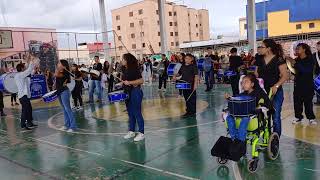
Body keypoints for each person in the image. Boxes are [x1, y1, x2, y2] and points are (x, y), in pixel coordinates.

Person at [224, 74, 272, 155]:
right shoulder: (243, 94)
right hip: (241, 114)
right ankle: (234, 139)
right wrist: (229, 98)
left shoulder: (259, 93)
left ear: (252, 84)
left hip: (253, 116)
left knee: (245, 119)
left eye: (246, 82)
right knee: (229, 117)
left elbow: (268, 105)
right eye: (242, 82)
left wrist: (259, 107)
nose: (243, 84)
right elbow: (235, 100)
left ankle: (240, 142)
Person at [256, 39, 288, 137]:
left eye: (262, 47)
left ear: (268, 48)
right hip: (262, 91)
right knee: (263, 115)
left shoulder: (279, 59)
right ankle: (266, 136)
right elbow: (256, 72)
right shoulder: (259, 58)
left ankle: (275, 138)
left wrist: (276, 85)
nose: (259, 48)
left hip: (275, 91)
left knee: (276, 115)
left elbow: (284, 75)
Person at [288, 43, 316, 125]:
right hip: (298, 85)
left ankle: (311, 118)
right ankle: (298, 117)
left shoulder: (310, 59)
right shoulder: (297, 60)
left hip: (308, 84)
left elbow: (306, 70)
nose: (296, 50)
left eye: (298, 48)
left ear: (304, 49)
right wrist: (291, 75)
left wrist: (295, 63)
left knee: (308, 102)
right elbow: (295, 72)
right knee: (297, 102)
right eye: (296, 48)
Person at [121, 53, 145, 142]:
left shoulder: (134, 69)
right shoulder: (124, 69)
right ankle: (131, 131)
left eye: (123, 59)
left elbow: (141, 80)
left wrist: (130, 82)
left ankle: (141, 133)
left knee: (137, 112)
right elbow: (125, 80)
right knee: (130, 113)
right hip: (127, 92)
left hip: (135, 92)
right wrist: (121, 83)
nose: (122, 61)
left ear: (128, 60)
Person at [14, 56, 39, 130]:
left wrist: (28, 62)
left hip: (25, 96)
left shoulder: (22, 75)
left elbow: (29, 72)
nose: (25, 68)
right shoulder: (19, 75)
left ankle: (29, 123)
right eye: (24, 67)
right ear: (21, 69)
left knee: (29, 109)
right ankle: (23, 125)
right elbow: (28, 71)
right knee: (25, 110)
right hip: (23, 96)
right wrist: (31, 61)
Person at [55, 60, 77, 132]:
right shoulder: (61, 71)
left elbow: (56, 74)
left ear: (63, 65)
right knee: (64, 109)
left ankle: (73, 126)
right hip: (59, 91)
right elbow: (57, 77)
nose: (57, 64)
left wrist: (60, 68)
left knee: (68, 109)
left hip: (64, 91)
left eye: (59, 63)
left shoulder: (66, 72)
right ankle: (66, 125)